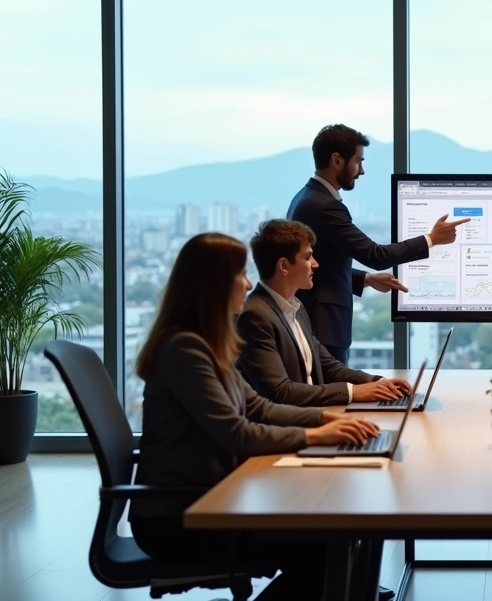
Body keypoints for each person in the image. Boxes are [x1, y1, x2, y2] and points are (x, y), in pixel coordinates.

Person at [129, 232, 385, 601]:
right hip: (179, 518)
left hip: (212, 497)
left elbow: (258, 407)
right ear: (212, 285)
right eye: (240, 274)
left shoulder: (205, 344)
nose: (249, 283)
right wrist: (317, 436)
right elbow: (238, 434)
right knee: (324, 550)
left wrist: (327, 421)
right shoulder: (185, 349)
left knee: (331, 546)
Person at [287, 123, 470, 364]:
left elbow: (321, 264)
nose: (361, 171)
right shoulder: (325, 206)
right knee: (331, 395)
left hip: (321, 324)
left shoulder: (305, 197)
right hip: (324, 327)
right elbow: (376, 255)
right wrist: (431, 239)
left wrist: (367, 279)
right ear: (337, 161)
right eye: (358, 161)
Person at [238, 219, 413, 407]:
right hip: (289, 430)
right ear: (284, 266)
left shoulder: (295, 306)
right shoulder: (255, 316)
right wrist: (354, 392)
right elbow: (281, 392)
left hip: (311, 419)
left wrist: (376, 382)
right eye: (307, 257)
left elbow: (327, 365)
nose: (315, 264)